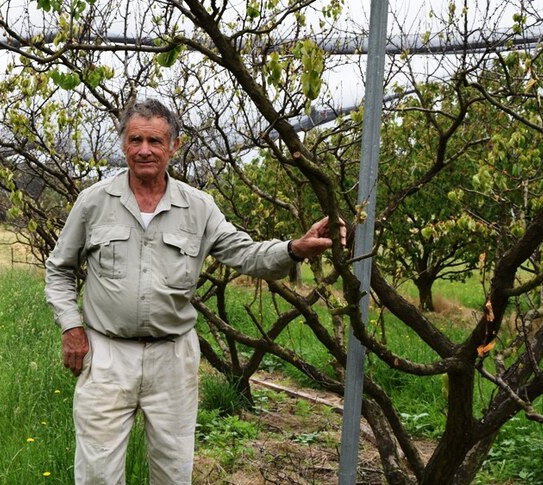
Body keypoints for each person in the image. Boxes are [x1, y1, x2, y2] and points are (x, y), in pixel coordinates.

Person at [44, 98, 344, 484]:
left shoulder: (198, 207)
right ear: (122, 145)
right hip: (106, 355)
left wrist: (293, 249)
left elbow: (244, 253)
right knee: (97, 472)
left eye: (155, 141)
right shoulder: (94, 202)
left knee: (173, 470)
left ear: (174, 146)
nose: (144, 150)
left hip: (173, 357)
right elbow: (59, 268)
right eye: (135, 140)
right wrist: (71, 328)